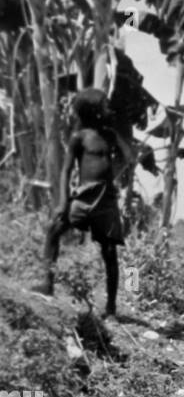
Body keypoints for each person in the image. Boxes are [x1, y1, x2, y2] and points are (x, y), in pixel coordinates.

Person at [32, 88, 129, 318]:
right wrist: (63, 202)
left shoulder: (109, 135)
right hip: (84, 197)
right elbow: (66, 171)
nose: (109, 109)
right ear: (93, 111)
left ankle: (112, 308)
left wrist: (117, 152)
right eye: (104, 106)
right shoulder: (80, 137)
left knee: (110, 252)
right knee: (54, 230)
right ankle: (47, 283)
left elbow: (128, 157)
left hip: (105, 201)